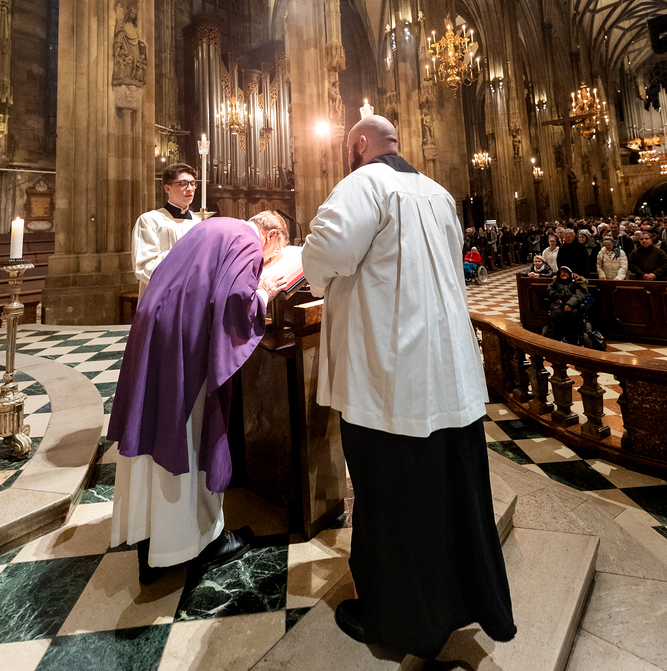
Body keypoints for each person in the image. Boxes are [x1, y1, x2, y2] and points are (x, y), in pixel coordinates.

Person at [301, 115, 516, 659]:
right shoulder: (439, 193)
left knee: (391, 499)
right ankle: (459, 602)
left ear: (358, 145)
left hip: (389, 377)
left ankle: (397, 620)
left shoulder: (363, 183)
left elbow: (324, 256)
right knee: (449, 494)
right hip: (447, 370)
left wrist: (310, 271)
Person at [108, 211, 289, 583]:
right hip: (186, 340)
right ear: (270, 235)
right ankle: (202, 544)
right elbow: (236, 299)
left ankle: (149, 543)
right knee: (188, 432)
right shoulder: (246, 238)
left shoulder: (210, 227)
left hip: (155, 326)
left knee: (153, 425)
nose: (266, 261)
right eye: (272, 255)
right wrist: (266, 291)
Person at [132, 162, 206, 302]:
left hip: (194, 295)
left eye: (192, 183)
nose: (190, 188)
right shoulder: (150, 220)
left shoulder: (199, 222)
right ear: (167, 188)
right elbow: (145, 265)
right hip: (163, 296)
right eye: (183, 184)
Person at [543, 266, 589, 345]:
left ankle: (572, 340)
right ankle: (554, 340)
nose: (562, 274)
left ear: (570, 273)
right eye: (561, 272)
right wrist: (556, 297)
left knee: (573, 313)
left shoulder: (577, 282)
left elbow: (580, 294)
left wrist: (570, 304)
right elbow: (550, 291)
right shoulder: (556, 282)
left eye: (564, 272)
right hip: (559, 304)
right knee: (556, 313)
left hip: (573, 304)